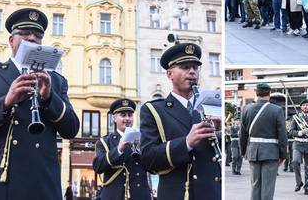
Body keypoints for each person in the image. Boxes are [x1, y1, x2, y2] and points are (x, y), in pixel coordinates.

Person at [0, 8, 80, 200]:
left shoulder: (56, 81)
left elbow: (71, 129)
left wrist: (49, 97)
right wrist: (6, 101)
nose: (32, 38)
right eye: (25, 33)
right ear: (12, 40)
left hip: (40, 184)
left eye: (37, 35)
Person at [139, 43, 221, 200]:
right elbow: (148, 159)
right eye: (185, 67)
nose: (192, 72)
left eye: (195, 68)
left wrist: (217, 133)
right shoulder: (154, 110)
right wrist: (186, 143)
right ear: (169, 74)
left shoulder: (207, 107)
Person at [93, 98, 151, 200]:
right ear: (114, 119)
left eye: (130, 115)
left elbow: (152, 168)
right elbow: (98, 166)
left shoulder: (142, 139)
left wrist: (140, 150)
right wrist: (118, 149)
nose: (127, 119)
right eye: (123, 115)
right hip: (115, 196)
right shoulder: (105, 142)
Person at [240, 83, 287, 200]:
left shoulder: (246, 109)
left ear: (256, 93)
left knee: (255, 185)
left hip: (253, 152)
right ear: (269, 94)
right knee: (268, 187)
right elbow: (282, 135)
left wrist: (244, 152)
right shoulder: (277, 110)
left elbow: (243, 134)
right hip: (271, 153)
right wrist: (283, 154)